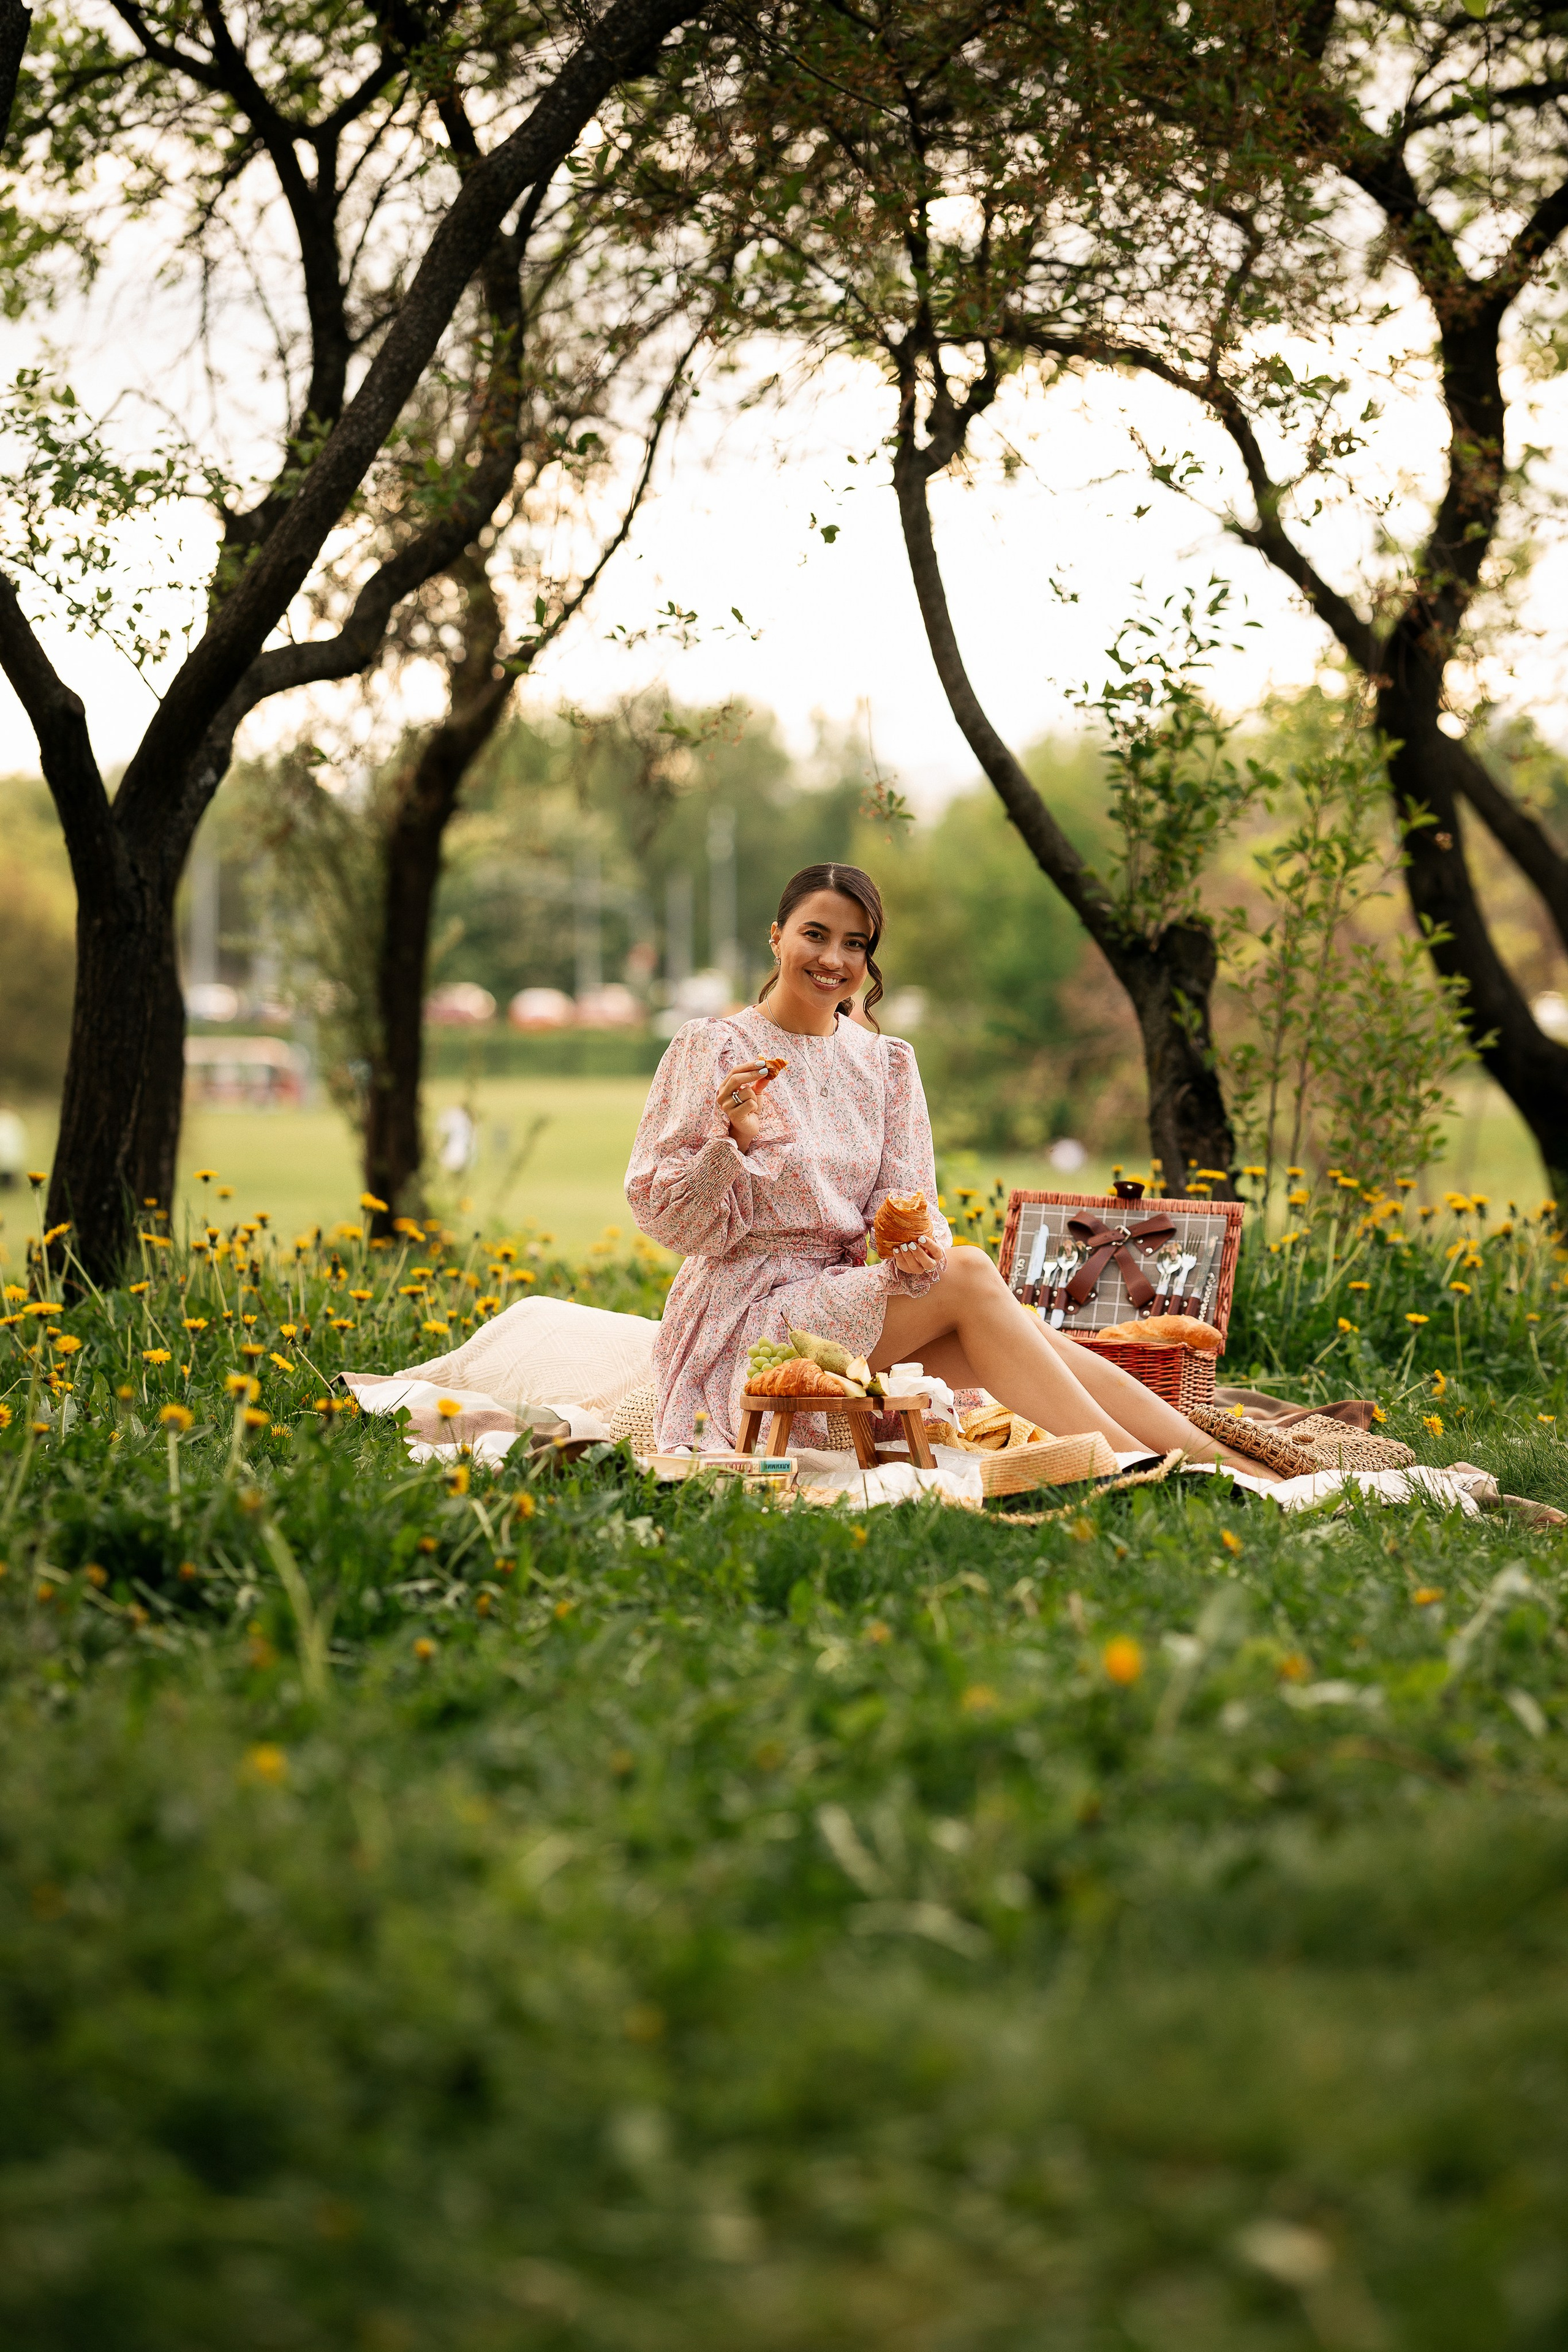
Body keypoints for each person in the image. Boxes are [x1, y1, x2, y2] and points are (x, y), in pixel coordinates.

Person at [625, 861, 1268, 1476]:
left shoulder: (886, 1063)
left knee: (1015, 1329)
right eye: (814, 935)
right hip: (750, 1314)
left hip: (848, 1300)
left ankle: (1222, 1462)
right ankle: (1144, 1465)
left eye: (854, 944)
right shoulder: (713, 1048)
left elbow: (911, 1203)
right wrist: (730, 1144)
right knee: (969, 1272)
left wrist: (912, 1249)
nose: (832, 959)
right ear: (776, 937)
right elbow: (667, 1219)